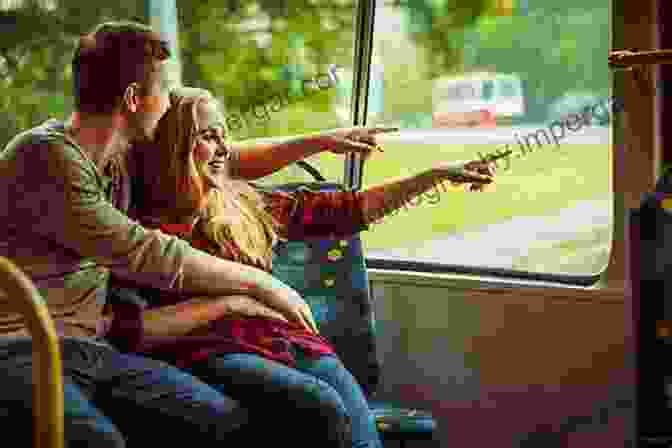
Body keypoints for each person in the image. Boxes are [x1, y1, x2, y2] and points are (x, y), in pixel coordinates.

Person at [0, 20, 375, 447]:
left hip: (93, 351)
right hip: (21, 351)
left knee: (227, 422)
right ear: (133, 99)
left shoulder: (117, 159)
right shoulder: (45, 158)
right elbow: (148, 254)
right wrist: (263, 285)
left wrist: (319, 141)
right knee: (100, 442)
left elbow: (215, 159)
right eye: (165, 91)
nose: (169, 104)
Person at [106, 87, 496, 448]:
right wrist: (232, 303)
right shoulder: (140, 232)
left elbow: (349, 210)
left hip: (289, 341)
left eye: (224, 135)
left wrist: (431, 177)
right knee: (319, 402)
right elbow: (129, 330)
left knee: (350, 411)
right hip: (211, 350)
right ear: (176, 148)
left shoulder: (244, 203)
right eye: (208, 137)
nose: (225, 148)